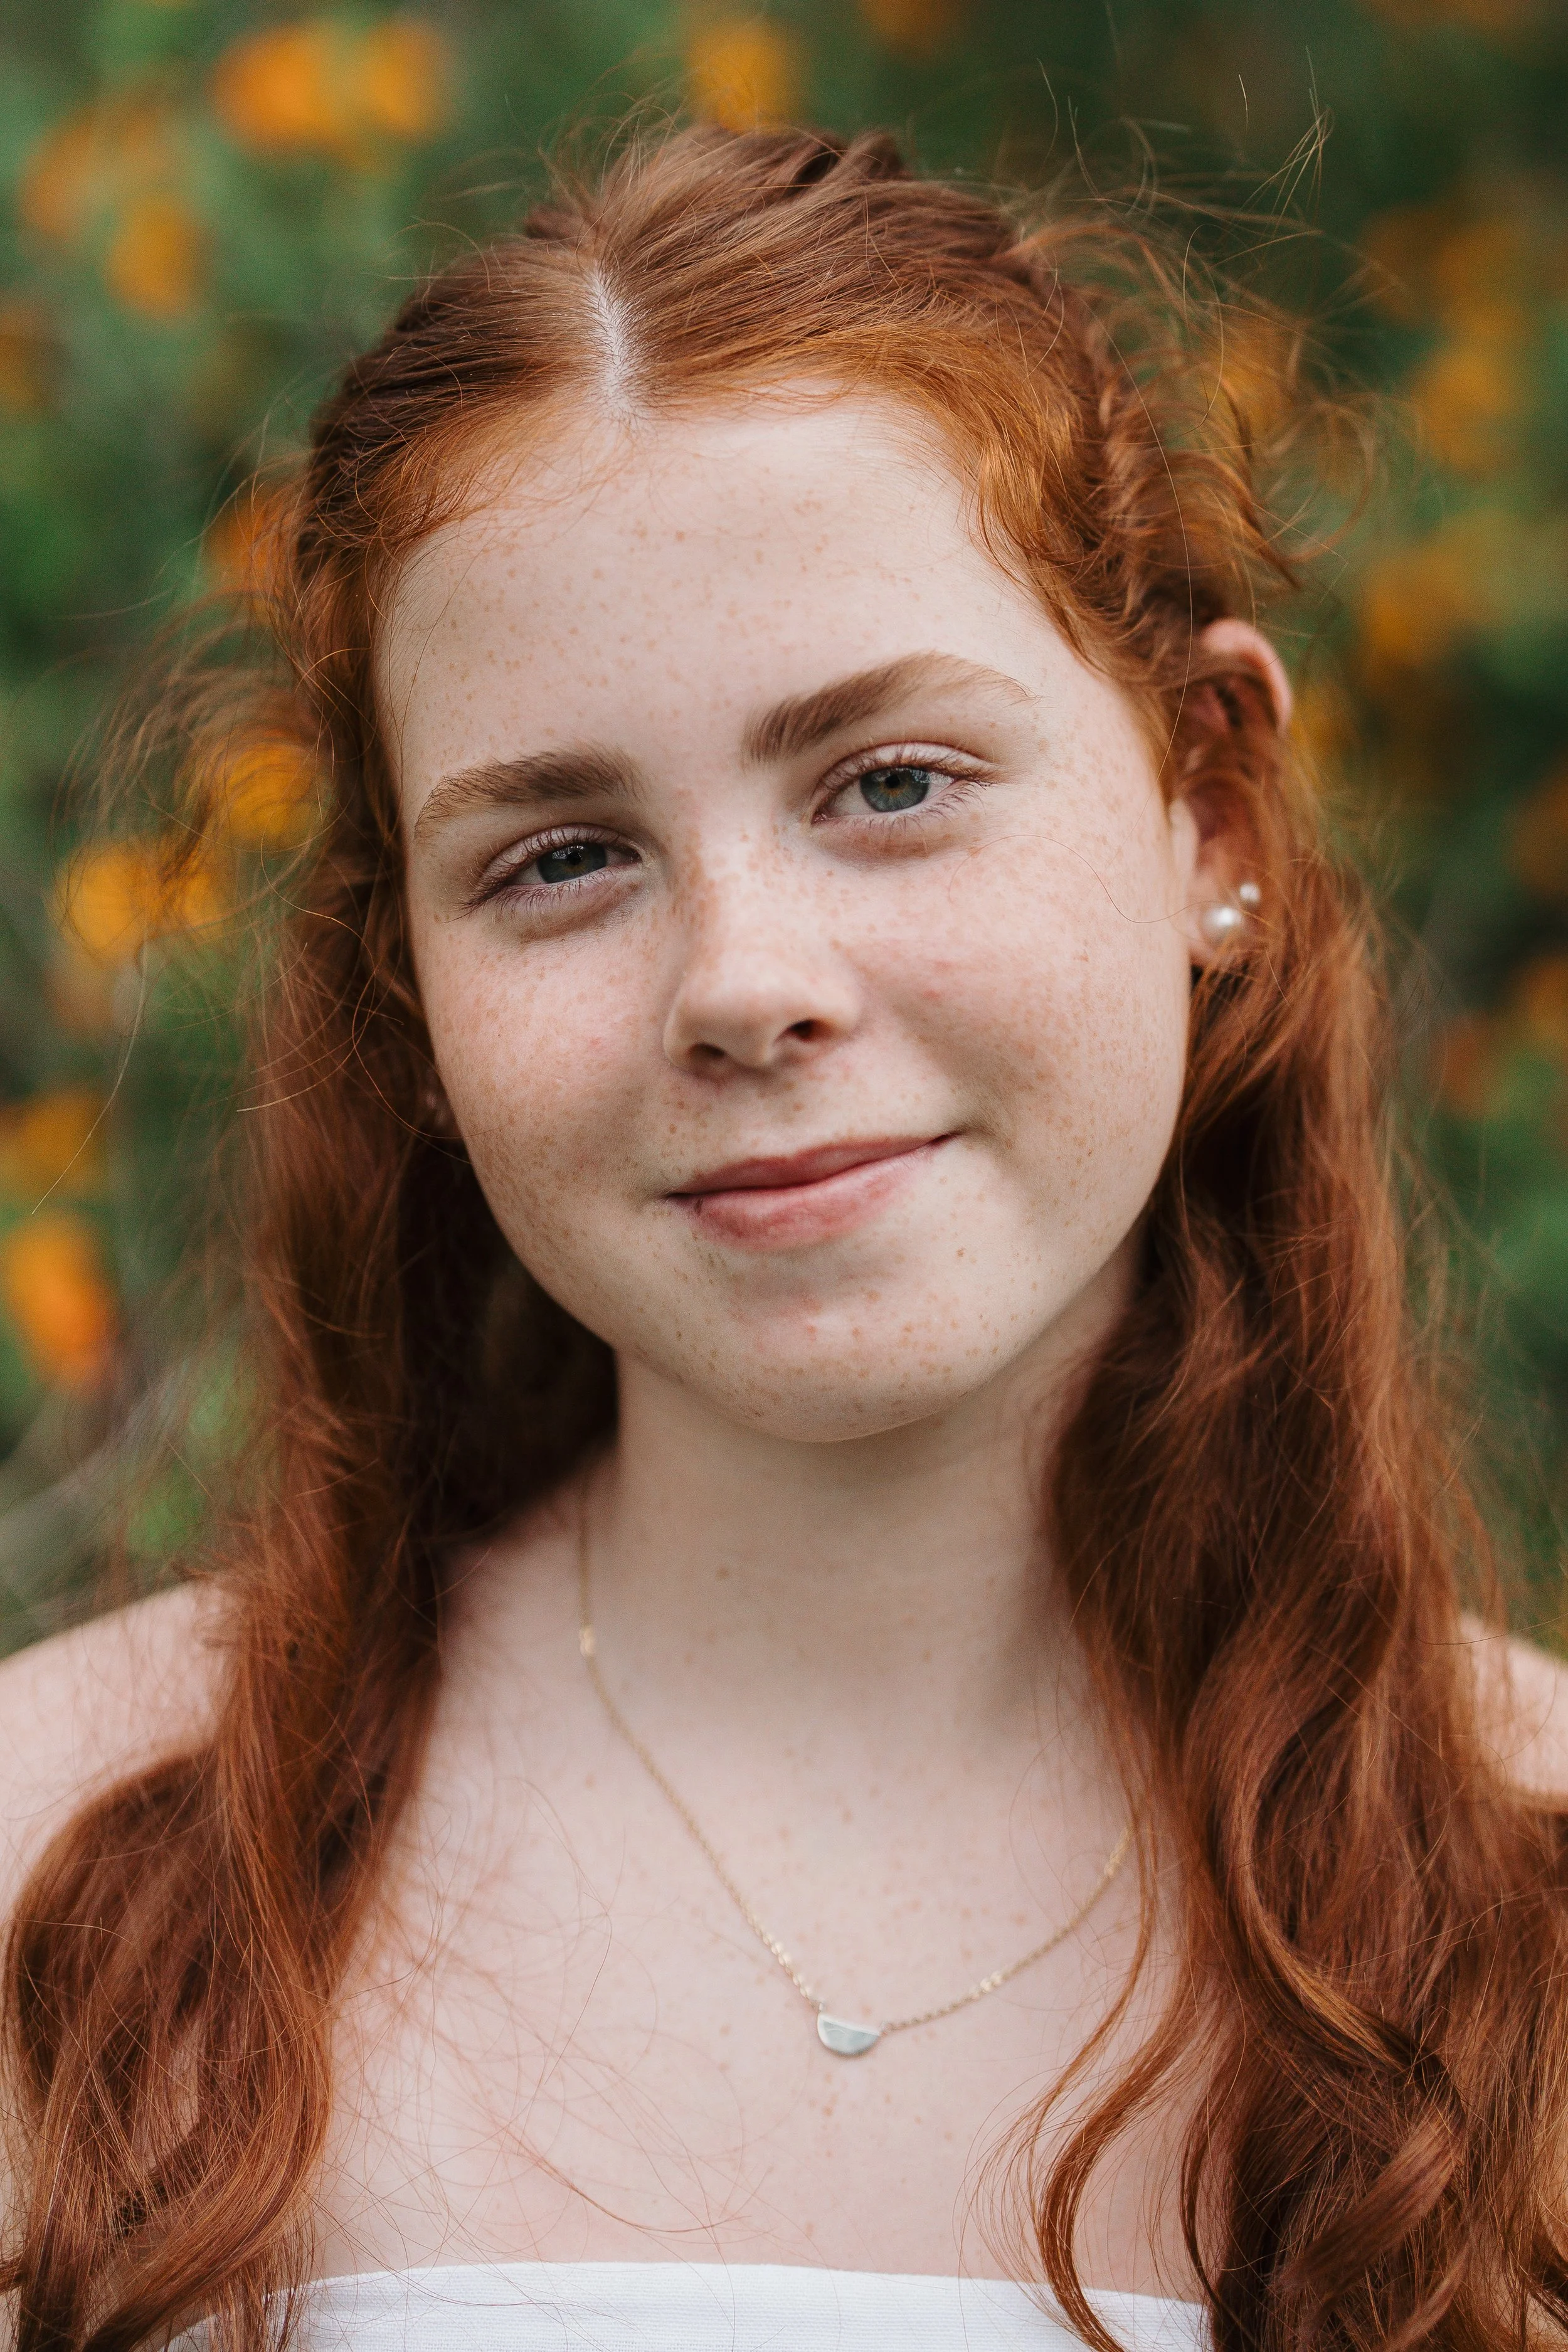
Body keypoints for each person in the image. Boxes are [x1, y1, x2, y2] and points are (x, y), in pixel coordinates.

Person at [3, 123, 1567, 2352]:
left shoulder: (1531, 1914)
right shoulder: (64, 1887)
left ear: (1202, 804)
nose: (745, 982)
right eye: (558, 854)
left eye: (890, 783)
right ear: (409, 991)